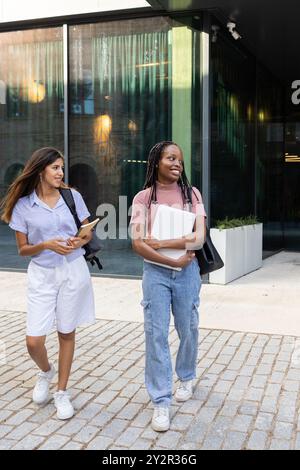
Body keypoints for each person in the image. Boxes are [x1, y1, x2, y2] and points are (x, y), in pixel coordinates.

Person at [0, 147, 95, 420]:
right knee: (33, 341)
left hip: (73, 271)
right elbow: (23, 250)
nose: (61, 172)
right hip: (42, 275)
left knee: (66, 332)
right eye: (55, 167)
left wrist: (79, 240)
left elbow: (87, 233)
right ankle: (45, 371)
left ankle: (62, 392)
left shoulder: (72, 196)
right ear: (40, 170)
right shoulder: (23, 205)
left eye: (62, 167)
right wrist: (46, 245)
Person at [130, 141, 206, 432]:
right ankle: (161, 400)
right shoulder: (142, 199)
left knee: (188, 327)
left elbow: (198, 239)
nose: (177, 164)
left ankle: (186, 376)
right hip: (156, 275)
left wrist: (161, 242)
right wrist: (172, 260)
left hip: (188, 275)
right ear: (156, 162)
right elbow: (138, 244)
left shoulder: (192, 194)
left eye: (181, 160)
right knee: (156, 334)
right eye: (171, 158)